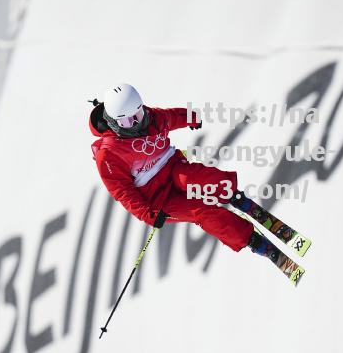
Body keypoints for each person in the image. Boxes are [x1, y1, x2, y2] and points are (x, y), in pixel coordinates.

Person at [88, 83, 277, 260]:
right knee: (202, 211)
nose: (137, 123)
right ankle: (251, 239)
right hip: (158, 199)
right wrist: (147, 214)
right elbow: (122, 191)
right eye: (129, 121)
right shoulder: (109, 154)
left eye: (138, 114)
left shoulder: (149, 118)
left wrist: (190, 117)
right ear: (113, 121)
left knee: (196, 177)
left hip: (173, 168)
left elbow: (170, 117)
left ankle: (233, 196)